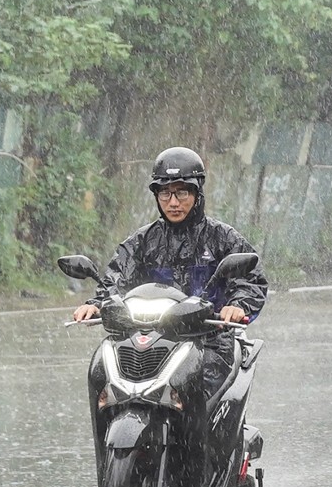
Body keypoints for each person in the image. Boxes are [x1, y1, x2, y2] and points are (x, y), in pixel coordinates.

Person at [72, 146, 268, 394]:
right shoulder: (143, 241)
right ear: (156, 196)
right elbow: (116, 277)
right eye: (165, 194)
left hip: (209, 340)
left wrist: (237, 306)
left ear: (197, 193)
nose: (173, 202)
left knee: (195, 390)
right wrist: (98, 303)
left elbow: (251, 279)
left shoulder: (222, 238)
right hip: (147, 339)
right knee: (103, 377)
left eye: (182, 193)